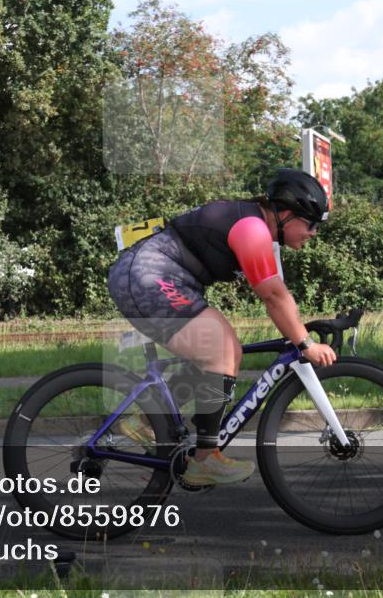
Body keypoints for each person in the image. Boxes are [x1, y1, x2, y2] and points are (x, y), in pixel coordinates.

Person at [107, 168, 337, 486]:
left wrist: (302, 329)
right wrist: (306, 344)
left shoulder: (260, 232)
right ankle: (204, 460)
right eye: (310, 224)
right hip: (147, 273)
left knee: (226, 353)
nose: (313, 233)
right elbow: (271, 297)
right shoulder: (253, 230)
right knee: (221, 347)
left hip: (155, 275)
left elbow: (282, 297)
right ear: (285, 214)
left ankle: (148, 420)